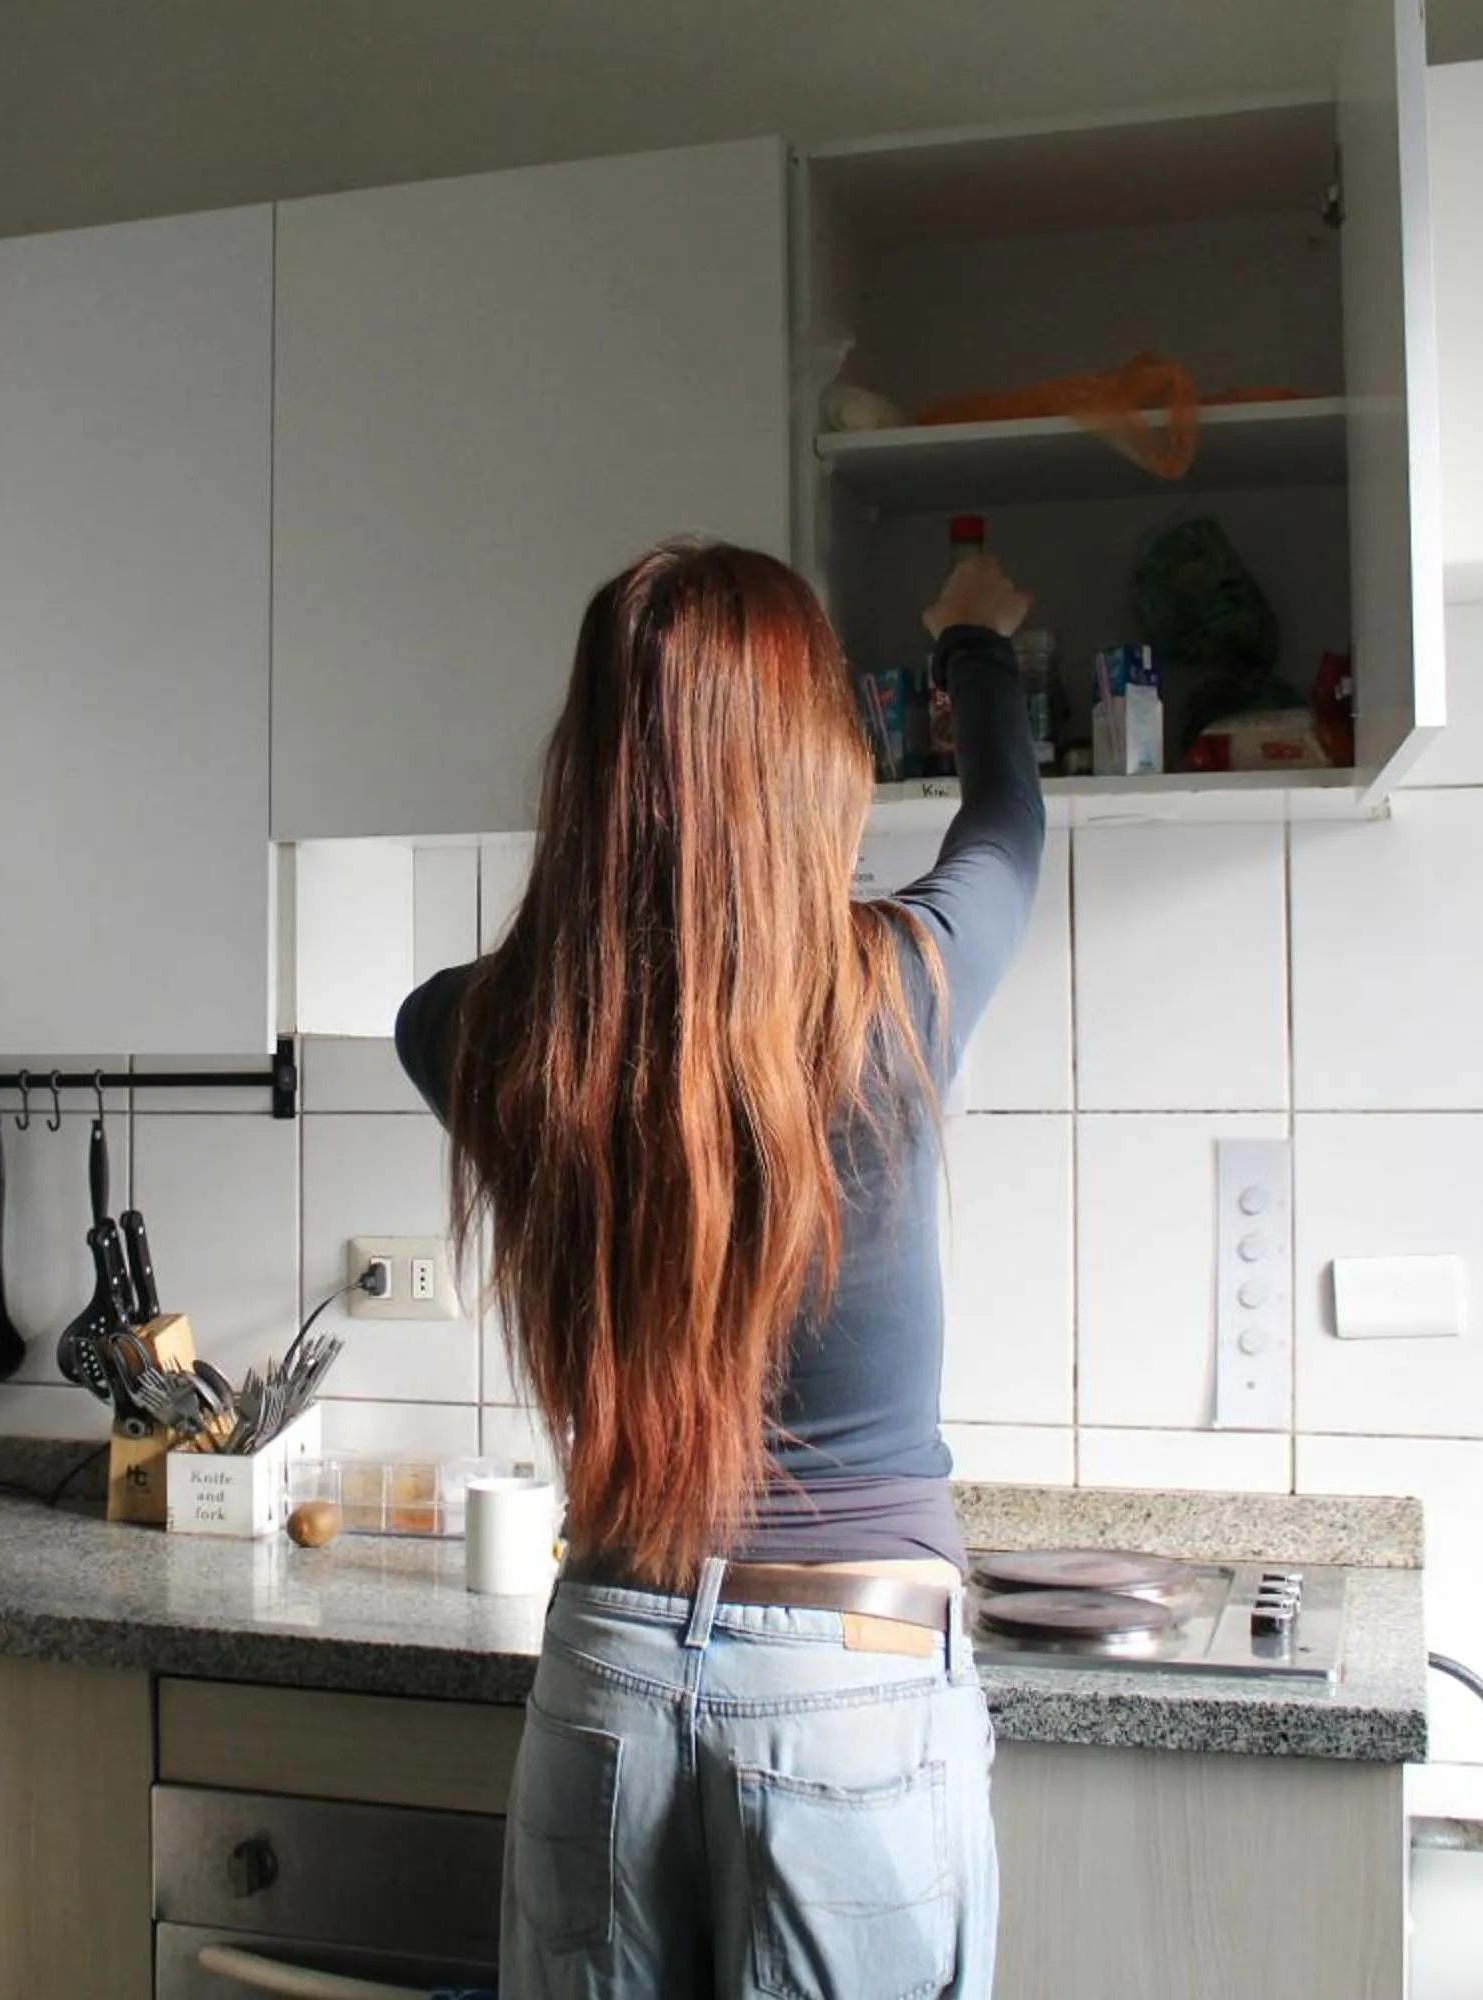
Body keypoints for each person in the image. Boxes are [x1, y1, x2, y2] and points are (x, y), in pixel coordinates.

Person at [393, 537, 1043, 2000]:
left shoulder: (486, 1042)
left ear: (589, 774)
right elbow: (1008, 829)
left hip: (606, 1672)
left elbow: (447, 999)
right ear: (818, 763)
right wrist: (974, 647)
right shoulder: (902, 995)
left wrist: (599, 893)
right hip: (853, 1679)